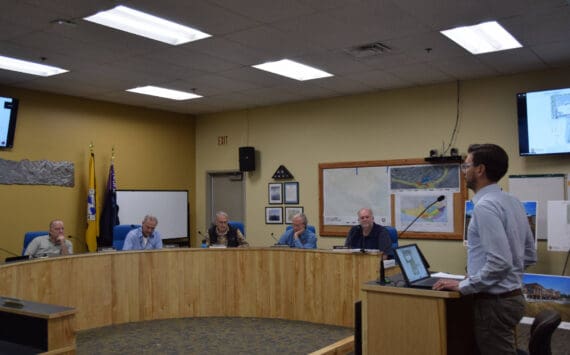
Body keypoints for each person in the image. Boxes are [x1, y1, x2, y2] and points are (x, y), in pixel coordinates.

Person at [433, 144, 537, 354]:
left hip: (494, 303)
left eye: (466, 165)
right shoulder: (513, 202)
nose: (464, 171)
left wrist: (465, 285)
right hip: (513, 297)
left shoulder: (485, 206)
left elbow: (500, 262)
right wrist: (508, 279)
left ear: (480, 170)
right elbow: (529, 254)